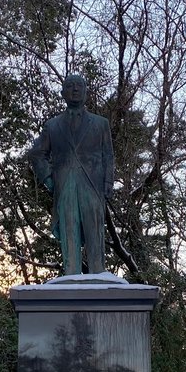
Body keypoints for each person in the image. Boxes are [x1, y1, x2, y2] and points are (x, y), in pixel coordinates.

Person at [28, 72, 114, 275]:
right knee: (69, 231)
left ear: (85, 92)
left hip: (92, 184)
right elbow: (36, 153)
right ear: (63, 93)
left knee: (95, 232)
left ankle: (98, 274)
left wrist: (109, 181)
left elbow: (108, 155)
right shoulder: (53, 125)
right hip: (65, 184)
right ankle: (71, 275)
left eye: (79, 86)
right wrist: (49, 179)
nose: (75, 89)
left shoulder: (101, 124)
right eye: (70, 86)